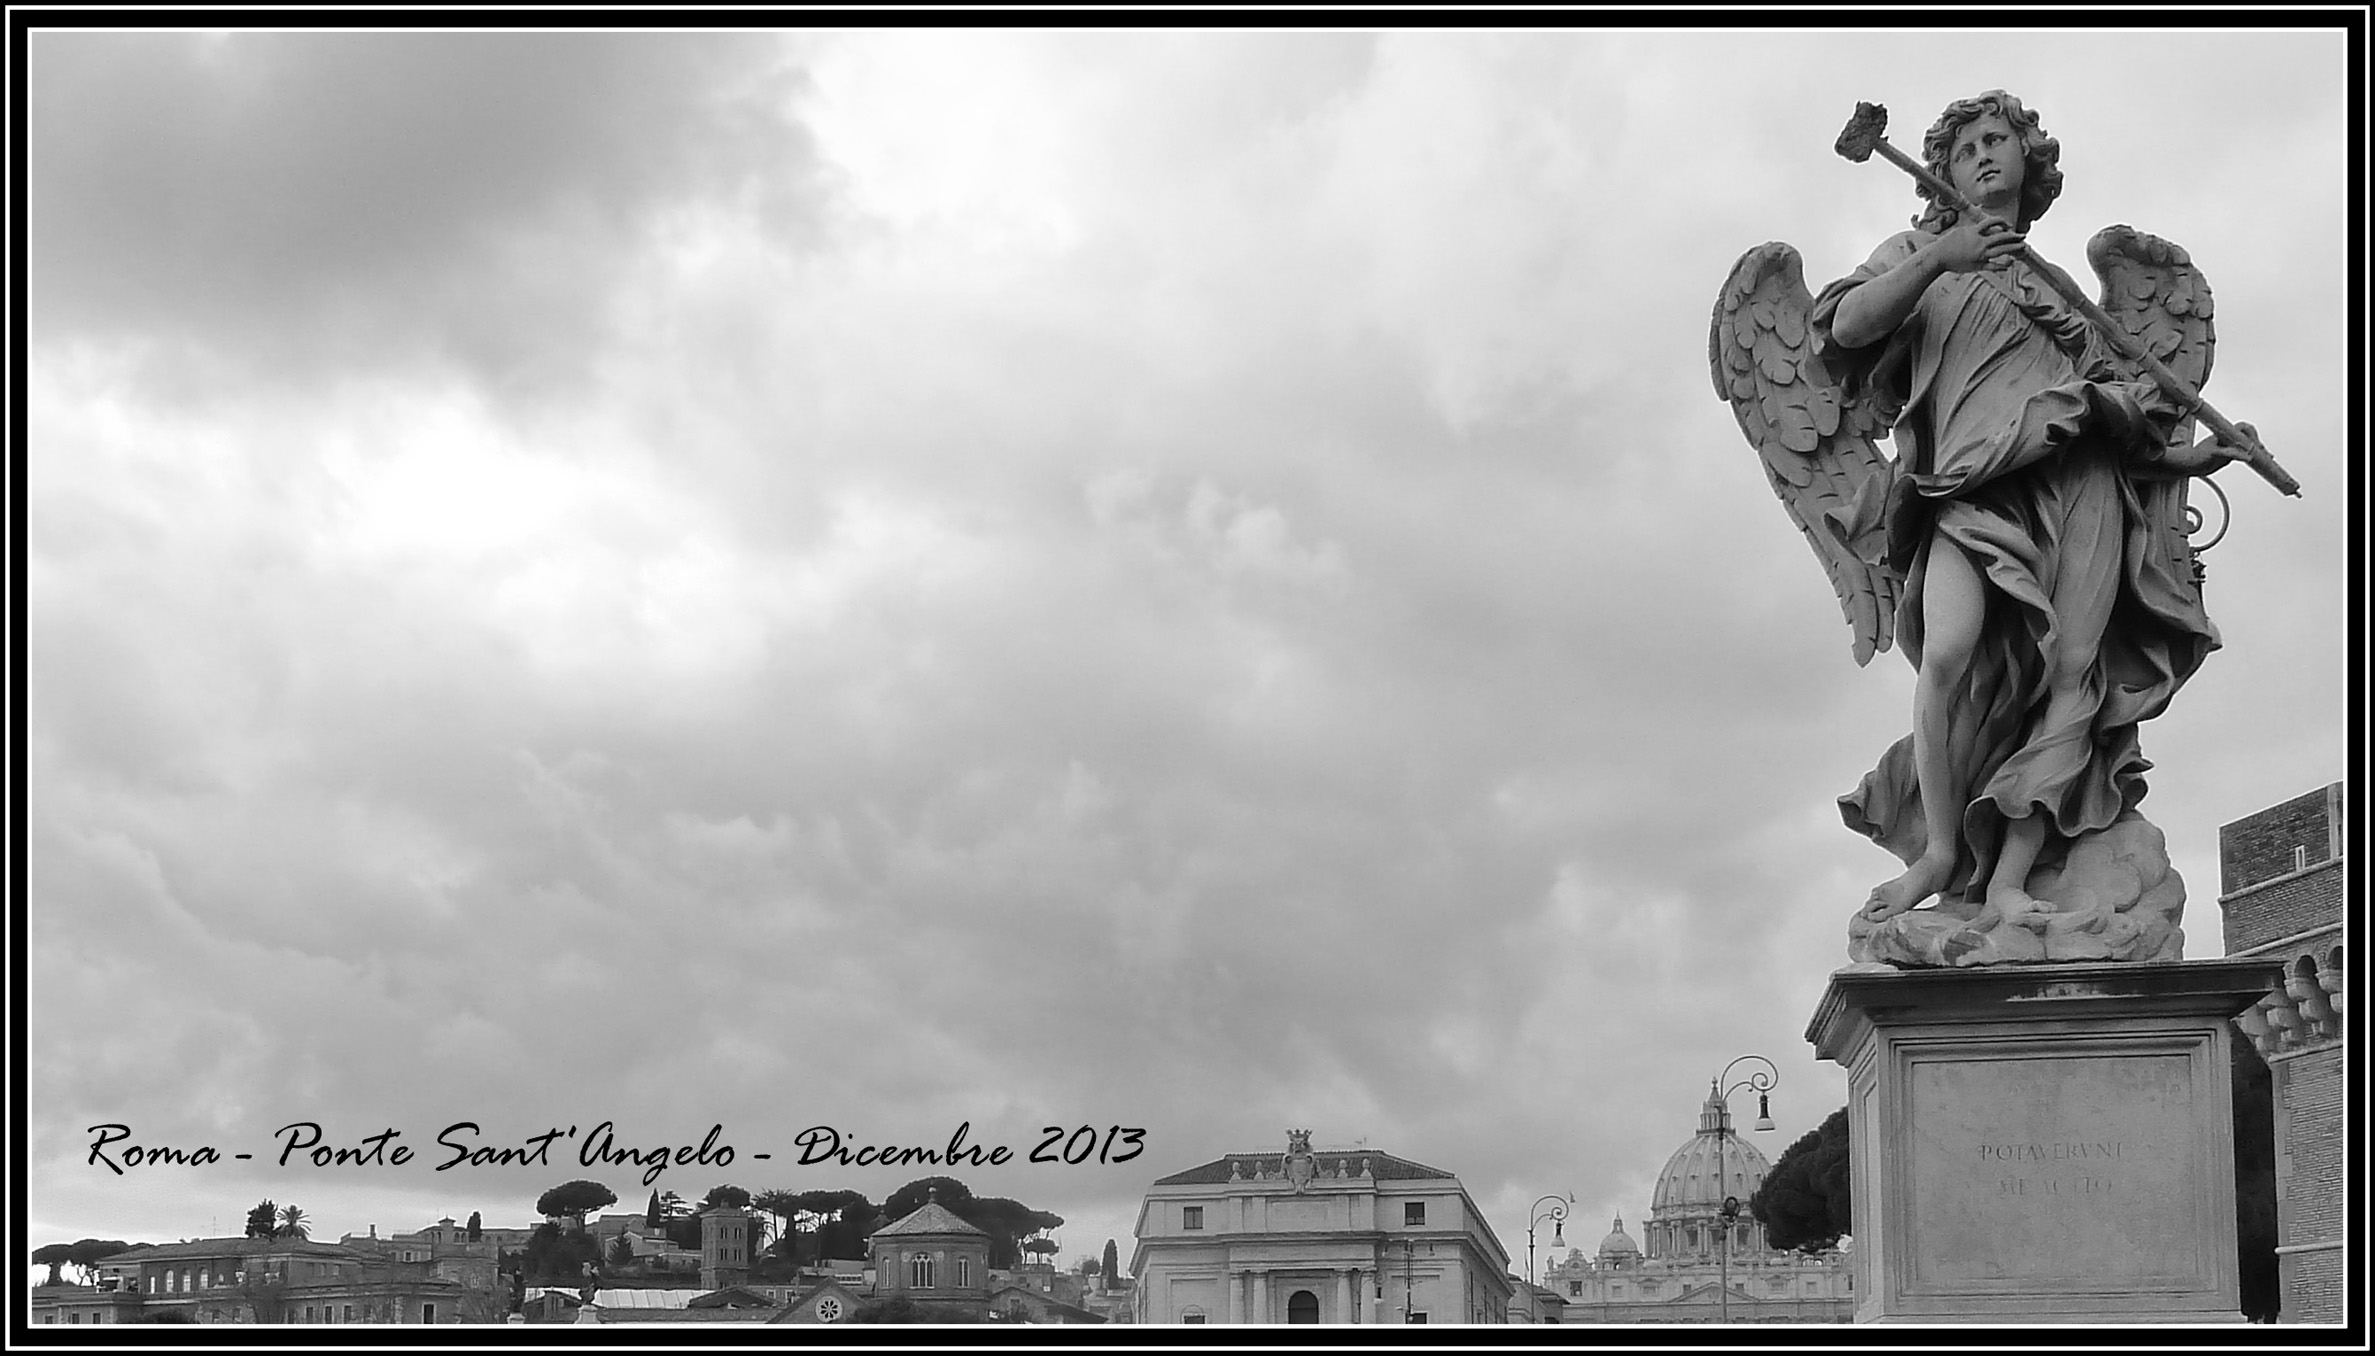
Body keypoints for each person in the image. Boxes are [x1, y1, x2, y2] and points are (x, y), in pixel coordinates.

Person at [1812, 91, 2248, 929]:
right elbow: (1847, 326)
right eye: (1967, 144)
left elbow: (2114, 414)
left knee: (2070, 673)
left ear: (2029, 161)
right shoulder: (1921, 253)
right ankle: (1941, 852)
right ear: (1940, 169)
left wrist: (2187, 455)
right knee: (1944, 655)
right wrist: (1941, 256)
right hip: (1967, 490)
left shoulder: (2063, 293)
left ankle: (2011, 875)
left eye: (1998, 141)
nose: (1983, 155)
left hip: (2077, 487)